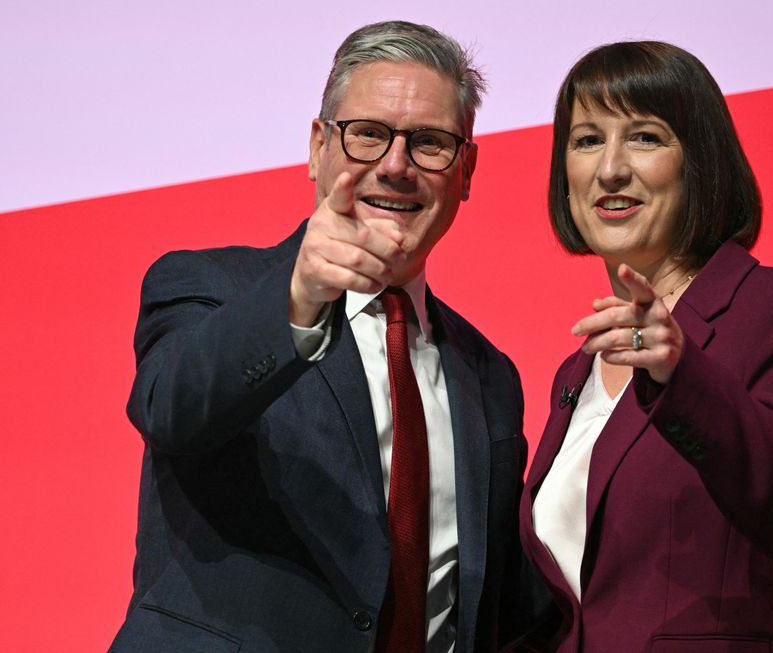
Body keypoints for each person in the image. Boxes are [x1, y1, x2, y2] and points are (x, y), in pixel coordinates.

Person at [111, 21, 529, 653]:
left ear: (466, 171)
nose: (395, 166)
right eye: (367, 135)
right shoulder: (210, 286)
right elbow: (171, 409)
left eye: (430, 144)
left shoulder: (489, 376)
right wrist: (299, 298)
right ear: (316, 147)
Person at [519, 41, 773, 652]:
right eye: (587, 140)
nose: (610, 169)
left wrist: (684, 375)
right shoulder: (579, 369)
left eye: (645, 137)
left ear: (699, 162)